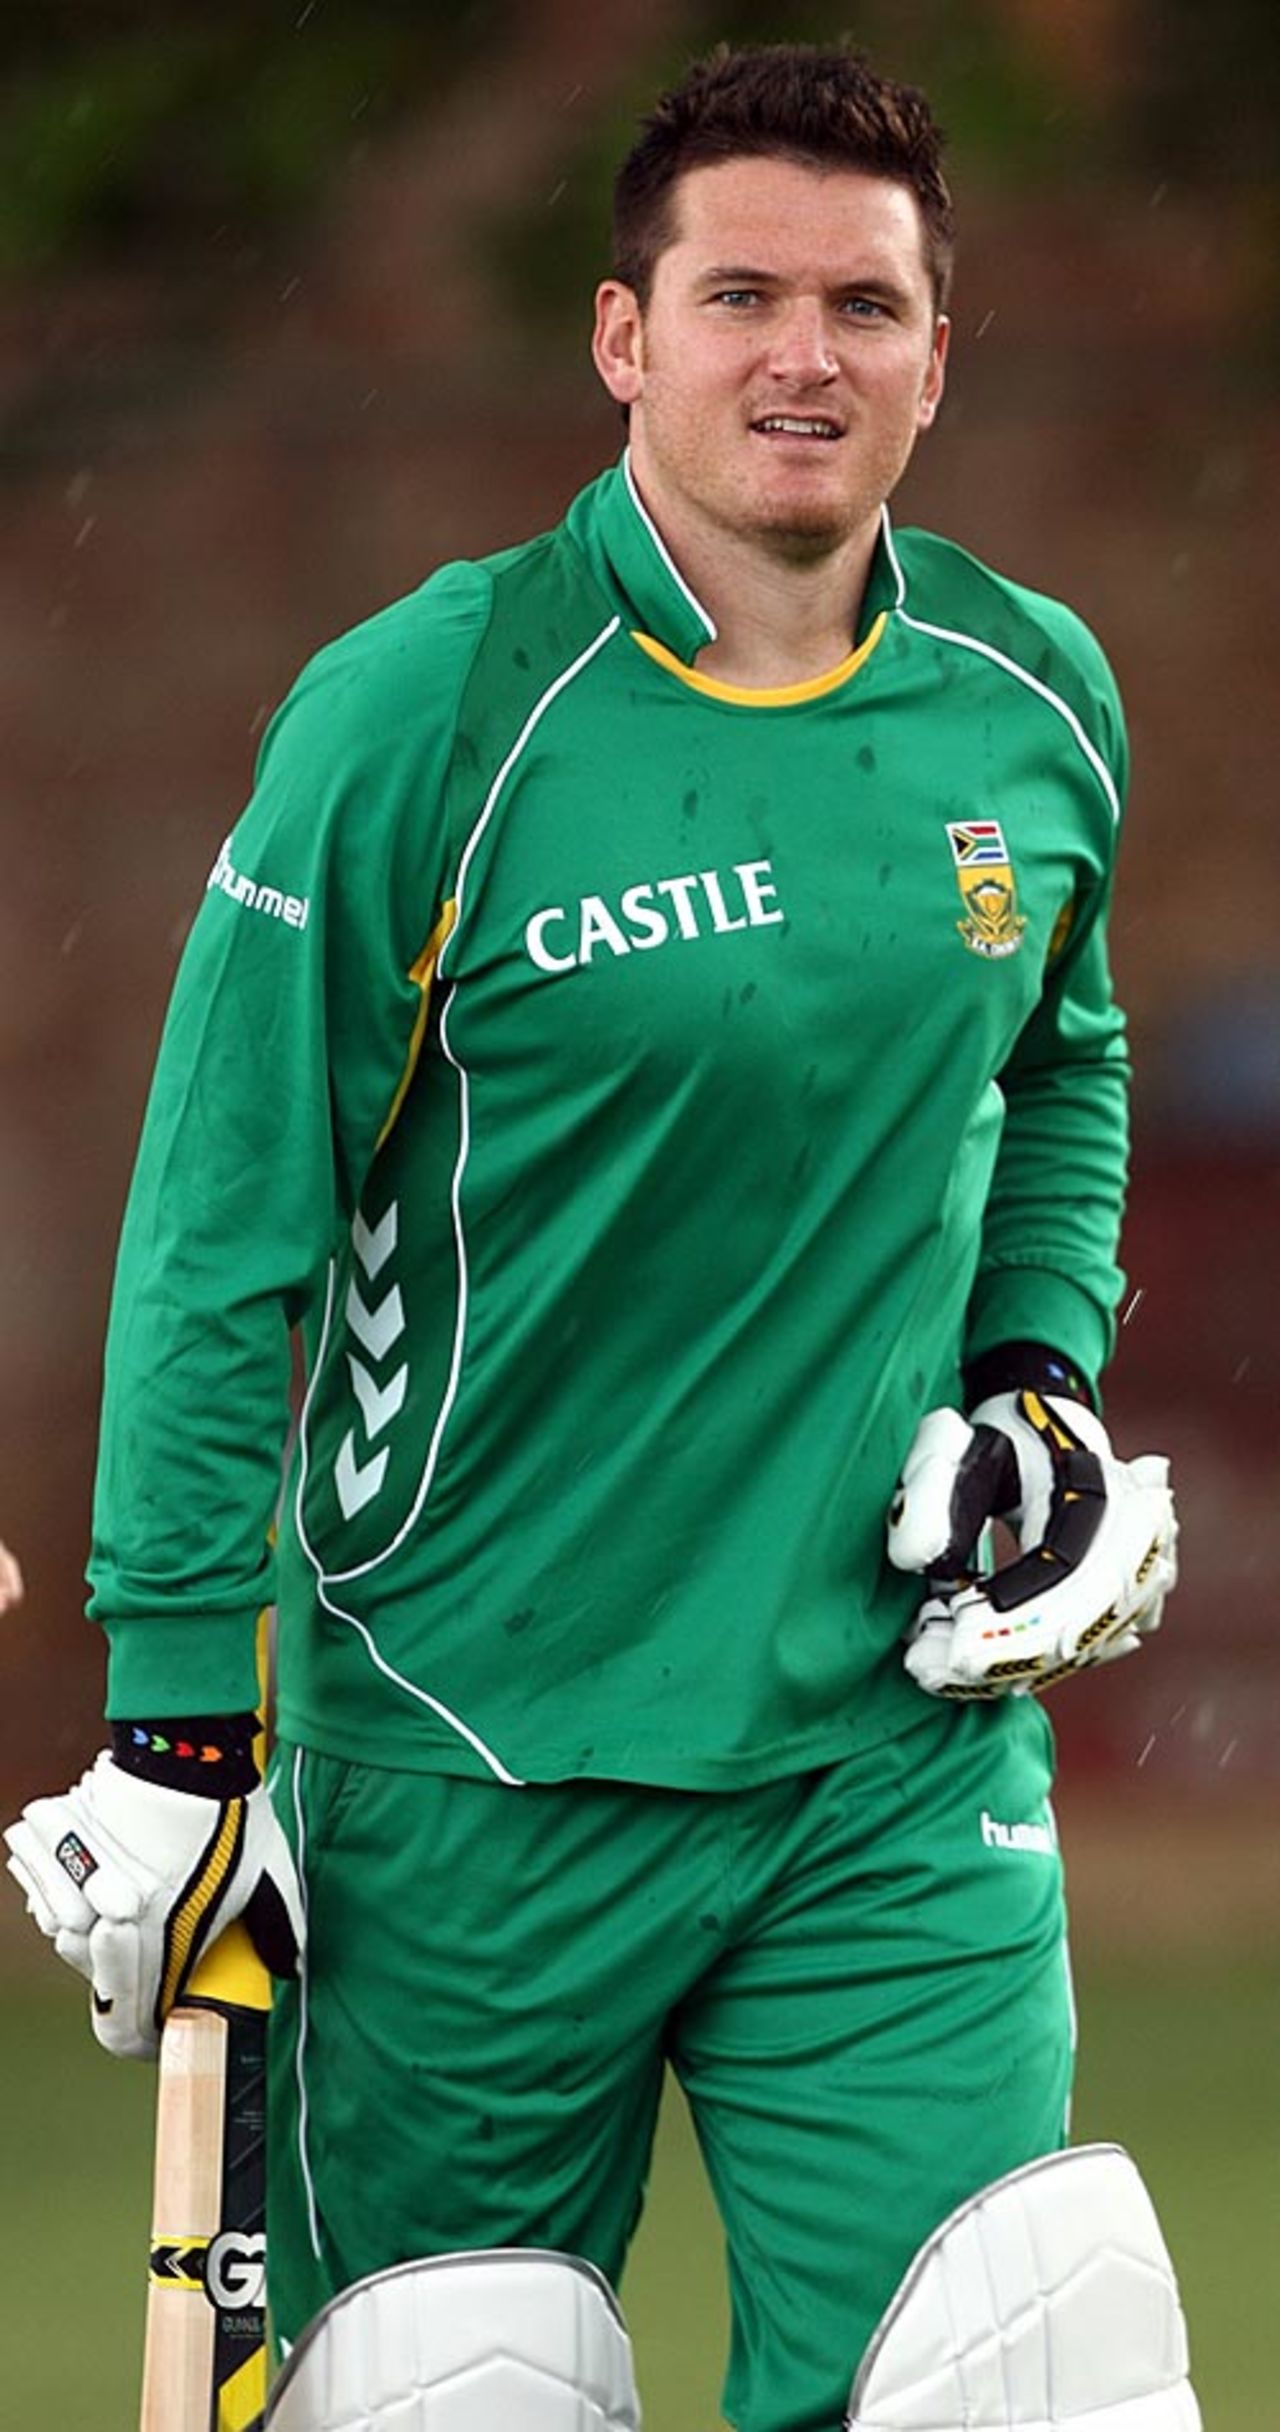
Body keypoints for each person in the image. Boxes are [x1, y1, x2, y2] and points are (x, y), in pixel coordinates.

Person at [5, 42, 1184, 2432]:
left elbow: (1057, 1059)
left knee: (1020, 2382)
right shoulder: (423, 715)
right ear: (623, 338)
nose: (801, 356)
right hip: (470, 1762)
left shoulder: (1029, 700)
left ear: (935, 357)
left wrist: (1035, 1378)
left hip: (888, 1752)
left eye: (862, 306)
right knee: (456, 2390)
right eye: (739, 296)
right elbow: (224, 1215)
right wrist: (176, 1717)